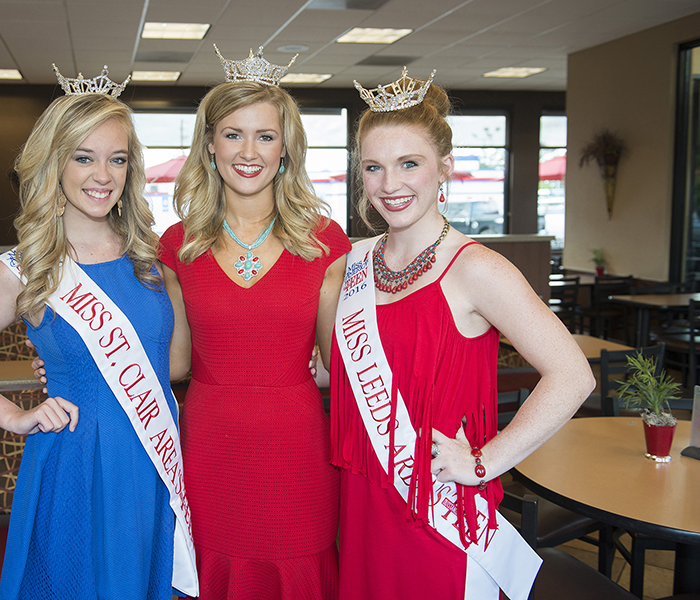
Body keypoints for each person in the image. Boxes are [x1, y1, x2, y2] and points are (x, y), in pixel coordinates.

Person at [328, 69, 595, 600]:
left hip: (438, 509)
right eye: (374, 168)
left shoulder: (478, 269)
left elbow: (572, 376)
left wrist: (484, 462)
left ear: (443, 168)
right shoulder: (355, 260)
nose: (390, 185)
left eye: (410, 164)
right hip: (360, 503)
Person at [0, 68, 198, 600]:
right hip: (75, 463)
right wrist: (12, 415)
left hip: (153, 461)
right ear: (55, 162)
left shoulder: (153, 257)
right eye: (83, 157)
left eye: (117, 159)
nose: (103, 175)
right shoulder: (22, 268)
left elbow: (173, 366)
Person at [158, 46, 351, 599]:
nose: (249, 151)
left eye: (265, 136)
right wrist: (77, 361)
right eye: (233, 134)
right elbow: (173, 362)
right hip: (211, 447)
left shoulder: (325, 243)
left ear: (285, 148)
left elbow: (340, 368)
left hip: (296, 449)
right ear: (210, 145)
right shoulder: (178, 246)